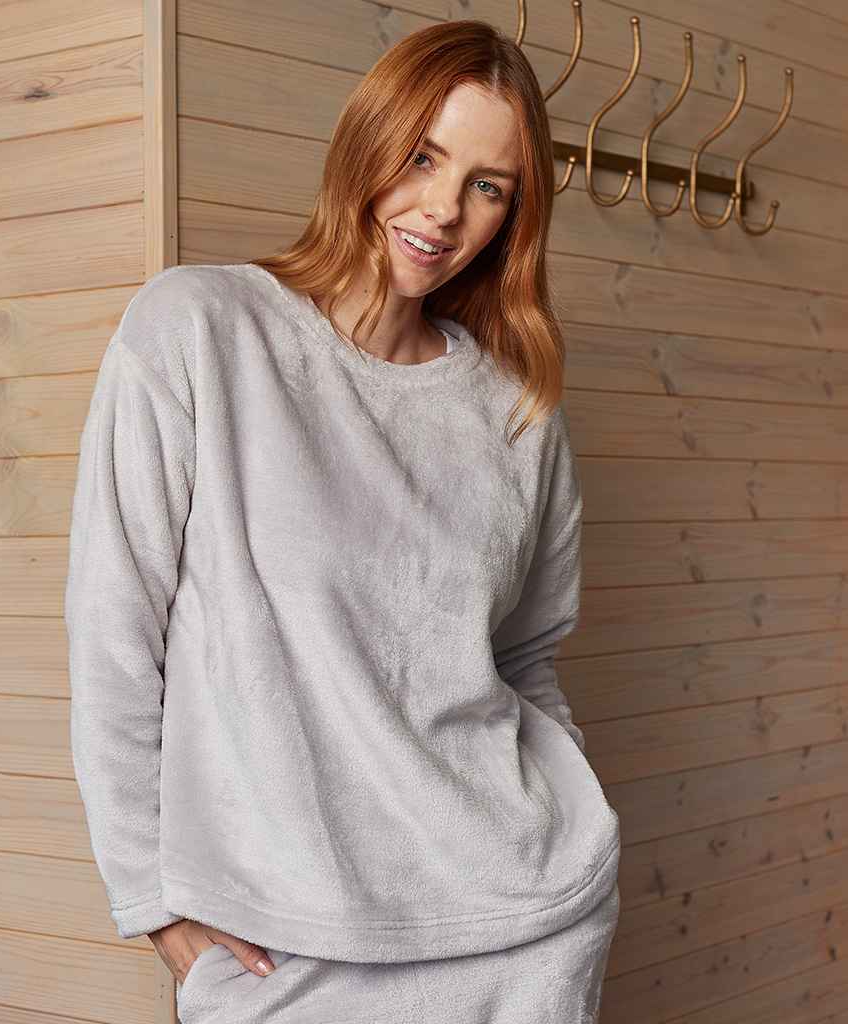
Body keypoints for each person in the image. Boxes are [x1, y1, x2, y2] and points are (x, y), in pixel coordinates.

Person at [64, 18, 621, 1024]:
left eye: (489, 186)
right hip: (285, 950)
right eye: (423, 157)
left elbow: (527, 658)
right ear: (368, 141)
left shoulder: (517, 411)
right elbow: (114, 632)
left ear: (514, 214)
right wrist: (153, 901)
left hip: (520, 934)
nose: (443, 210)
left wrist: (573, 849)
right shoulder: (200, 330)